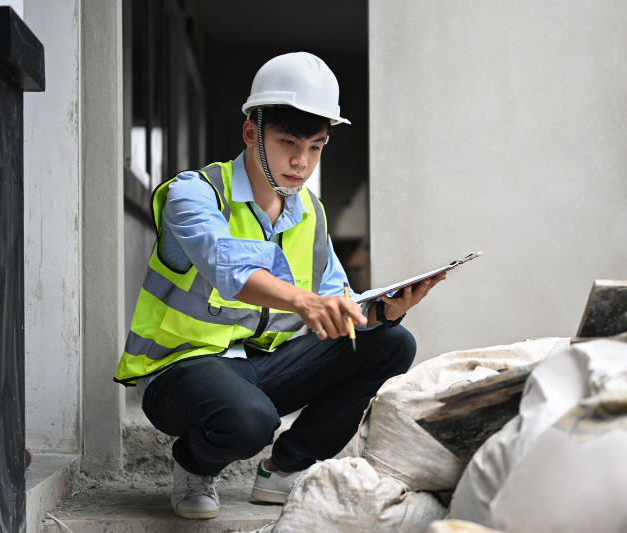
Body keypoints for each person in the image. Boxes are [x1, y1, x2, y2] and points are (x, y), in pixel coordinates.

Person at [113, 51, 444, 520]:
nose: (301, 161)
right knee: (250, 420)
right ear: (251, 133)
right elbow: (227, 268)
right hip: (182, 373)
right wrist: (302, 301)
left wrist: (383, 311)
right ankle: (193, 464)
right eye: (288, 142)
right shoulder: (195, 193)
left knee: (391, 343)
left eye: (315, 146)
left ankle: (286, 468)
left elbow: (338, 302)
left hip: (263, 367)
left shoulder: (311, 213)